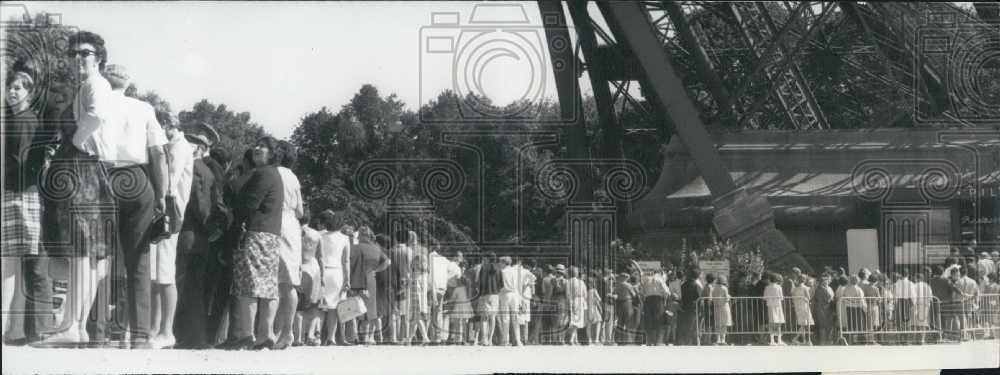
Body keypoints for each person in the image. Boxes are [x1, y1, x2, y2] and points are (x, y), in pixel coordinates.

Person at [2, 65, 57, 346]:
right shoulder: (19, 119)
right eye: (9, 87)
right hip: (23, 193)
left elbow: (23, 162)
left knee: (30, 264)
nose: (11, 92)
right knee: (28, 264)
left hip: (23, 194)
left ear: (29, 92)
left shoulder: (22, 120)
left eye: (18, 88)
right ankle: (27, 330)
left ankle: (34, 329)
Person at [226, 136, 284, 350]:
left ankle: (246, 336)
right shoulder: (275, 174)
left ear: (272, 153)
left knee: (247, 286)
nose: (257, 148)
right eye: (257, 145)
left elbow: (249, 204)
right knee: (268, 287)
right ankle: (266, 335)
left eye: (264, 147)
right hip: (271, 235)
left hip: (256, 233)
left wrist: (235, 214)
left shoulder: (261, 173)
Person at [148, 113, 193, 349]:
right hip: (164, 210)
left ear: (167, 125)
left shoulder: (180, 147)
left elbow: (169, 181)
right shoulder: (173, 145)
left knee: (165, 273)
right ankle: (155, 329)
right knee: (156, 274)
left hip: (171, 211)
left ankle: (167, 330)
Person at [272, 141, 304, 349]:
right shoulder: (293, 176)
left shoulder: (273, 172)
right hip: (293, 225)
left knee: (272, 280)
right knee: (289, 282)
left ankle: (271, 331)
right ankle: (287, 331)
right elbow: (301, 212)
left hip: (276, 222)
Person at [346, 226, 390, 344]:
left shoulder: (355, 248)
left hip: (356, 280)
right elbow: (387, 261)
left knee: (355, 310)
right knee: (370, 311)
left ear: (360, 236)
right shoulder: (376, 248)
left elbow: (347, 262)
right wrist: (376, 270)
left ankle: (356, 337)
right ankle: (368, 338)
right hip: (371, 280)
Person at [316, 210, 350, 346]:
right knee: (334, 307)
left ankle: (316, 335)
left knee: (319, 306)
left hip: (321, 270)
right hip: (337, 272)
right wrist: (347, 279)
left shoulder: (319, 235)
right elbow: (346, 261)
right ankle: (331, 338)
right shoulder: (345, 238)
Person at [293, 211, 322, 346]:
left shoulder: (294, 232)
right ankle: (311, 335)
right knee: (313, 306)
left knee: (298, 307)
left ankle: (298, 338)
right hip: (314, 269)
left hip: (299, 268)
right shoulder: (317, 234)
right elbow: (320, 256)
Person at [476, 252, 503, 346]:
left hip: (484, 294)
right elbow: (501, 284)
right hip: (495, 295)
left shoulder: (483, 268)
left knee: (484, 317)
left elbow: (479, 282)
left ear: (487, 258)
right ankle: (490, 340)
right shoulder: (499, 268)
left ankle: (484, 339)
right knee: (493, 317)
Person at [639, 268, 669, 346]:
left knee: (649, 320)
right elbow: (666, 292)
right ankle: (658, 341)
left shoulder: (645, 280)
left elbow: (641, 293)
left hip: (648, 301)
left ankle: (649, 341)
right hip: (658, 301)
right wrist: (664, 301)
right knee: (659, 320)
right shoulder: (660, 279)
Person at [498, 256, 521, 346]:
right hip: (515, 294)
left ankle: (505, 340)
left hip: (505, 294)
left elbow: (500, 285)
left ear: (504, 263)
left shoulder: (502, 272)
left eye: (500, 262)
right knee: (515, 318)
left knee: (505, 318)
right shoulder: (515, 271)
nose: (499, 264)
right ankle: (518, 340)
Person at [565, 266, 587, 345]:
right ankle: (571, 339)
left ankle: (575, 339)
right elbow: (585, 294)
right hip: (580, 301)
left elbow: (567, 294)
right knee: (576, 322)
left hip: (571, 301)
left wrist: (569, 303)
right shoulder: (581, 282)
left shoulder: (568, 282)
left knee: (573, 321)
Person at [811, 273, 835, 345]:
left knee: (829, 325)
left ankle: (828, 340)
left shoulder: (828, 288)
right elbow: (828, 298)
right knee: (822, 325)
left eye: (827, 280)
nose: (827, 281)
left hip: (828, 309)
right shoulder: (820, 288)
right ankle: (823, 340)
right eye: (825, 280)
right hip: (822, 308)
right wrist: (832, 299)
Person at [764, 273, 786, 345]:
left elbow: (765, 297)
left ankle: (772, 340)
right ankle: (779, 340)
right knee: (778, 323)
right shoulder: (779, 287)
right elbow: (781, 297)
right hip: (778, 305)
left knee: (771, 322)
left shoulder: (767, 287)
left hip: (770, 306)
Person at [790, 275, 813, 345]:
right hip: (804, 306)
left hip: (798, 307)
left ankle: (803, 340)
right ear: (804, 280)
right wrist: (803, 298)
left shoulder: (795, 289)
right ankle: (808, 340)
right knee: (807, 324)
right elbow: (808, 298)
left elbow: (793, 298)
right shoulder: (805, 288)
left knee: (802, 324)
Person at [711, 276, 733, 345]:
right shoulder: (724, 288)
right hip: (724, 307)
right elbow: (727, 298)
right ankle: (723, 339)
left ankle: (718, 339)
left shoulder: (714, 288)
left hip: (717, 307)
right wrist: (729, 296)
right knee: (724, 324)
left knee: (718, 323)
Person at [585, 277, 603, 346]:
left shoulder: (586, 291)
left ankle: (589, 340)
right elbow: (599, 299)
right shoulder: (594, 290)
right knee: (598, 322)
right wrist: (600, 307)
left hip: (587, 308)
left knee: (588, 324)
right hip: (594, 308)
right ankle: (596, 339)